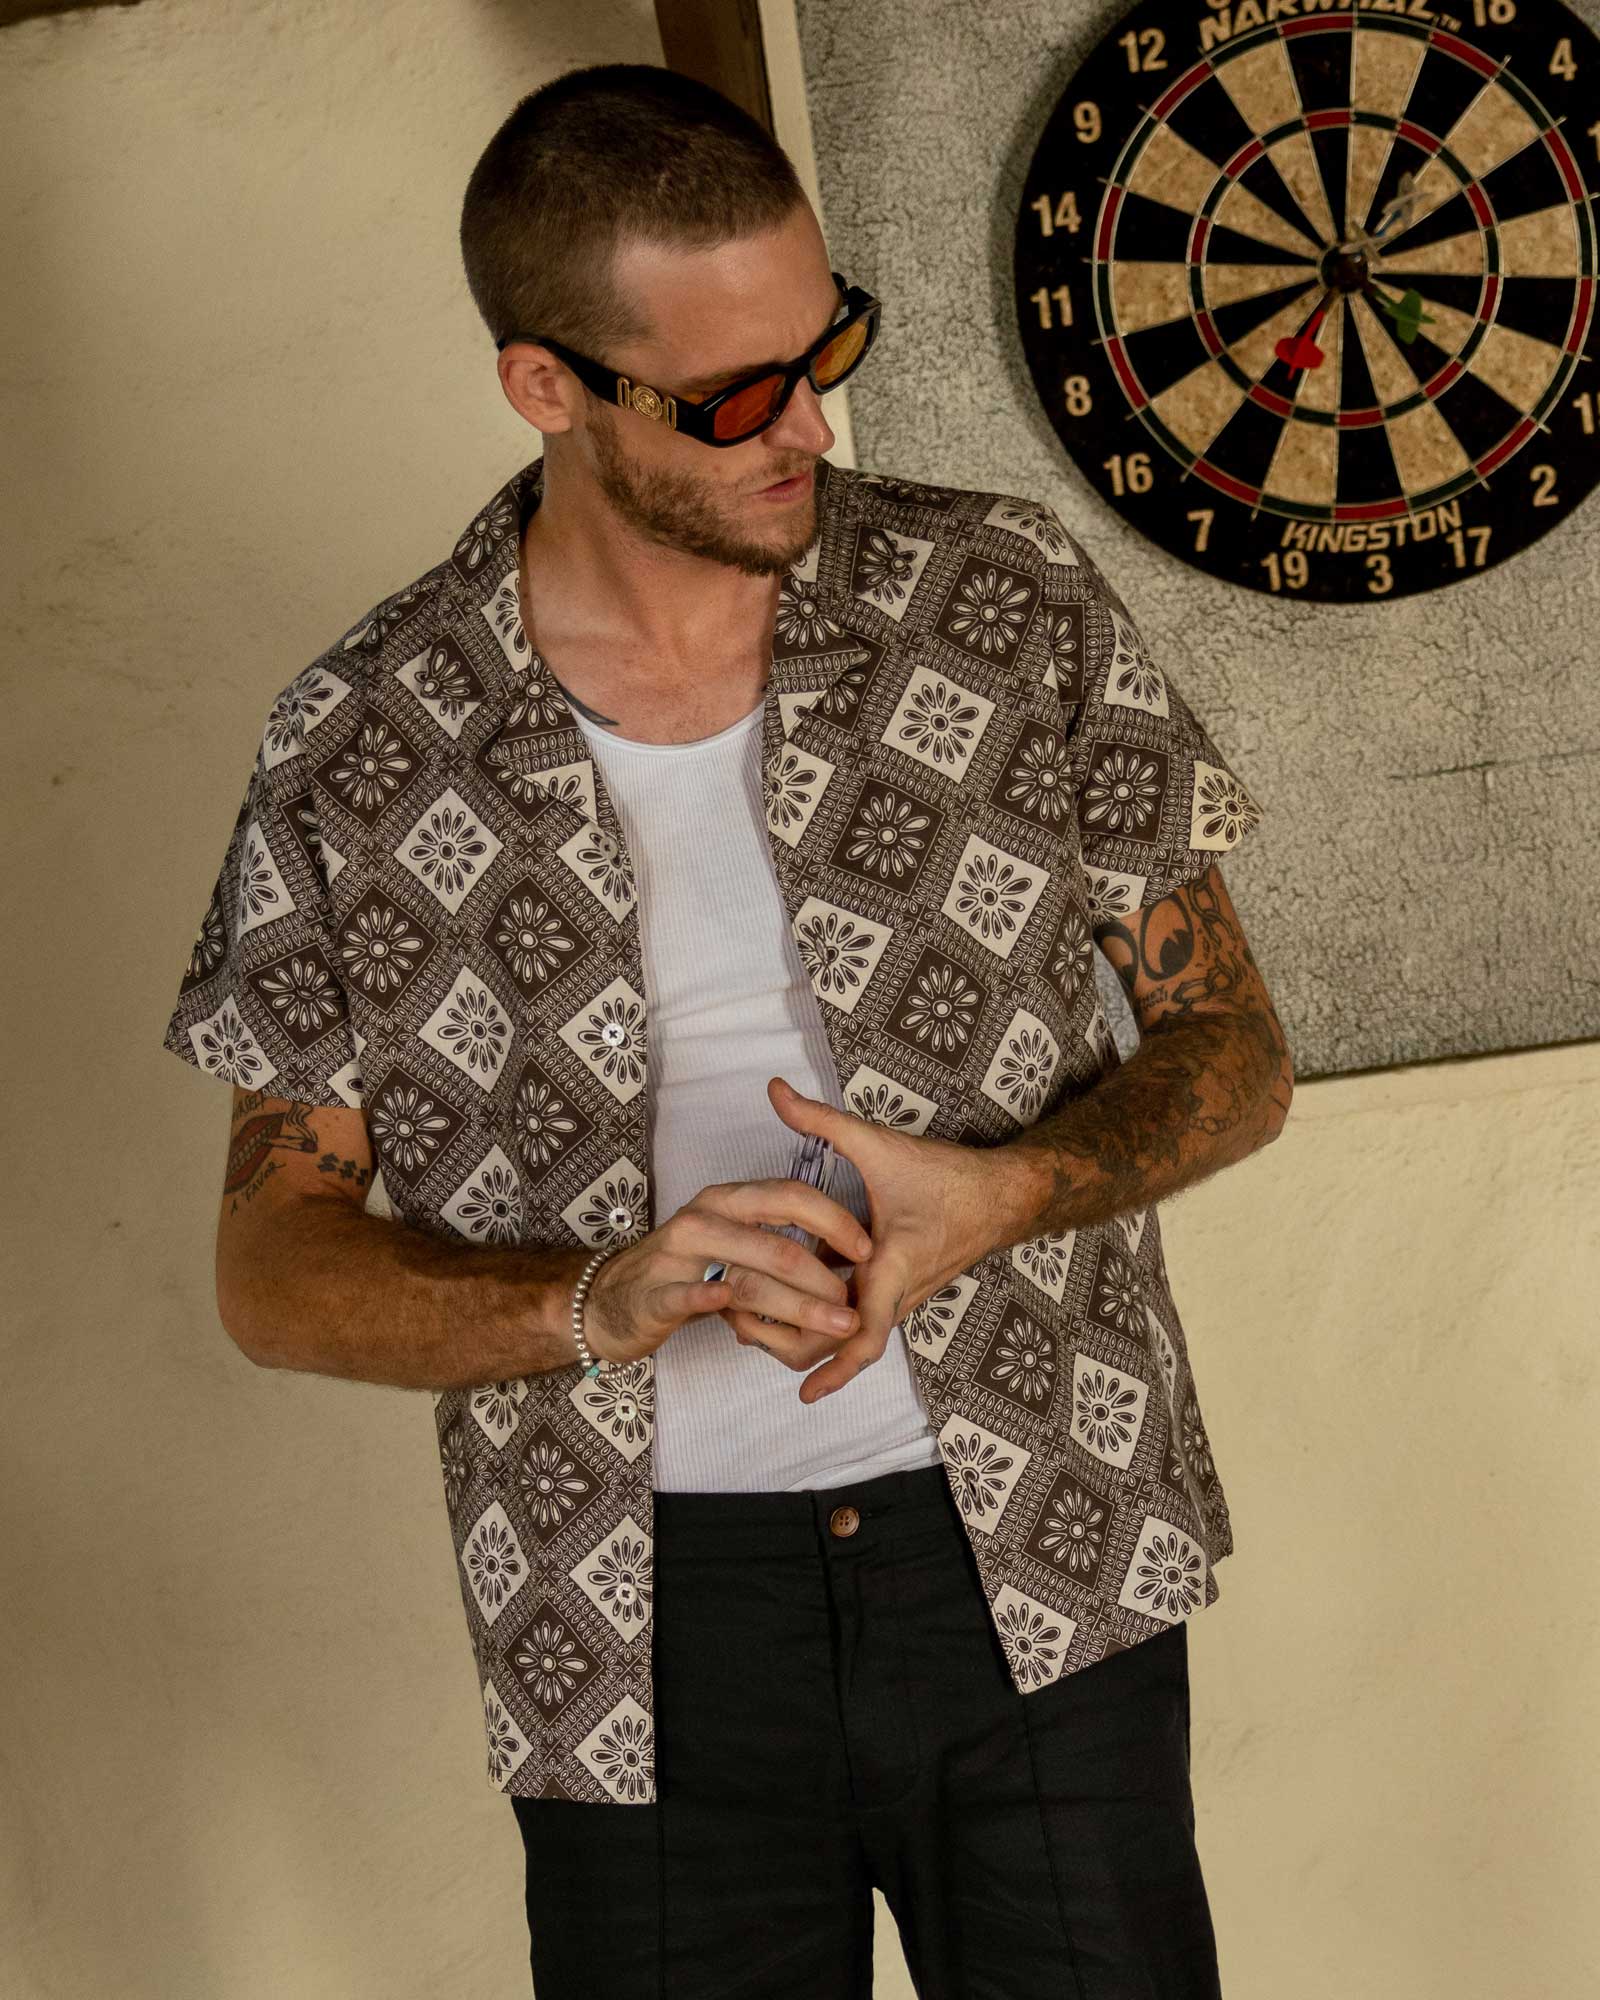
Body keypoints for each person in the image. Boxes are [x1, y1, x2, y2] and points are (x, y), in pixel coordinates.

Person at [161, 60, 1292, 2000]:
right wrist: (592, 1298)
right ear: (546, 386)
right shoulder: (360, 742)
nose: (809, 426)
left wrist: (1006, 1194)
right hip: (628, 1629)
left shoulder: (998, 599)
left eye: (824, 348)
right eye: (733, 396)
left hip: (1040, 1536)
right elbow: (272, 1267)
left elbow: (1234, 1052)